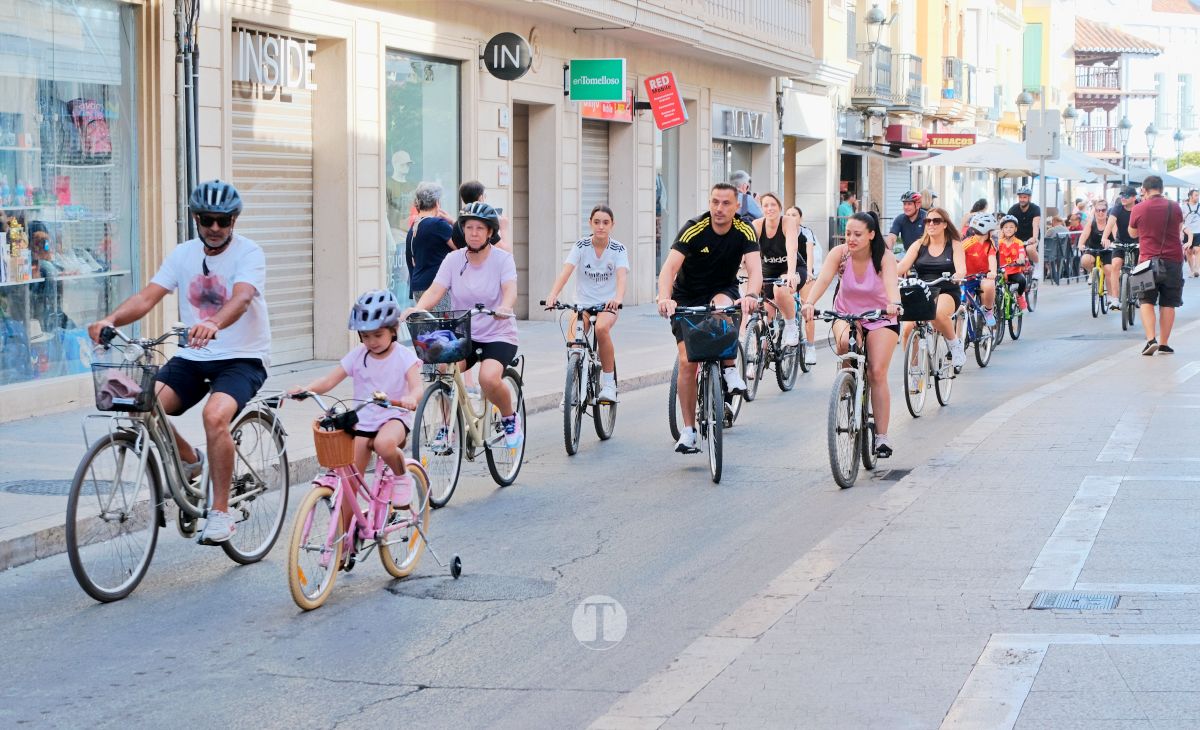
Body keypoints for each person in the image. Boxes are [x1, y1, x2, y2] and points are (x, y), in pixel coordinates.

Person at [86, 180, 270, 544]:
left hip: (242, 358)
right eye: (206, 219)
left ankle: (220, 513)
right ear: (195, 219)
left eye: (222, 220)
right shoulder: (183, 254)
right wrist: (111, 319)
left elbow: (242, 297)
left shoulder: (249, 253)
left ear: (233, 221)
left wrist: (214, 323)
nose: (214, 227)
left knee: (214, 417)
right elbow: (147, 297)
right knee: (140, 403)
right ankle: (189, 459)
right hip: (192, 356)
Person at [407, 202, 523, 447]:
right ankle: (447, 426)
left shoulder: (502, 259)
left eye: (480, 228)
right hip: (464, 333)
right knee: (443, 370)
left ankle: (510, 417)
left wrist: (505, 307)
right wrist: (417, 309)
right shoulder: (453, 259)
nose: (474, 233)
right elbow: (435, 290)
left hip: (498, 333)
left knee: (488, 379)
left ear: (490, 232)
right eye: (469, 227)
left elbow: (510, 289)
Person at [290, 291, 422, 508]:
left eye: (378, 335)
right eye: (365, 336)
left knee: (383, 444)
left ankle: (401, 476)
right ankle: (347, 530)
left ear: (394, 330)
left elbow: (417, 387)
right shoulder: (358, 355)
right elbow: (328, 381)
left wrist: (411, 398)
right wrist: (307, 390)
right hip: (363, 422)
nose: (372, 342)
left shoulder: (404, 356)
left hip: (394, 417)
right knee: (349, 484)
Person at [657, 182, 761, 454]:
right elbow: (669, 268)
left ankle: (729, 370)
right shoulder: (694, 228)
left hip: (722, 290)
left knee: (722, 308)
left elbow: (755, 269)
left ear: (736, 206)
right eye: (715, 202)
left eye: (726, 203)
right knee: (687, 361)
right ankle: (688, 431)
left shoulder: (744, 230)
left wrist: (751, 294)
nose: (719, 208)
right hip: (686, 297)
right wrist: (664, 298)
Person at [801, 212, 901, 458]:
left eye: (857, 234)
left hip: (881, 317)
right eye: (848, 234)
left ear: (871, 235)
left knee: (876, 372)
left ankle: (881, 437)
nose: (851, 239)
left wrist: (894, 303)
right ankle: (846, 383)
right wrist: (810, 302)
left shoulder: (884, 257)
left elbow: (891, 284)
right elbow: (824, 280)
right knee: (845, 341)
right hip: (846, 314)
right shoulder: (840, 254)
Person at [545, 204, 628, 402]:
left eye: (605, 222)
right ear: (590, 223)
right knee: (574, 343)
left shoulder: (618, 249)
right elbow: (566, 272)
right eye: (597, 222)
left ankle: (609, 384)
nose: (601, 226)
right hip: (583, 305)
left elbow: (621, 277)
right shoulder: (581, 246)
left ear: (612, 225)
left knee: (601, 329)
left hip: (607, 305)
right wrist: (553, 294)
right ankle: (572, 386)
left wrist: (618, 299)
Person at [897, 206, 967, 369]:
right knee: (907, 328)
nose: (931, 224)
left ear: (945, 224)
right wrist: (883, 274)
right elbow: (901, 267)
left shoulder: (954, 244)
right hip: (922, 290)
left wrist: (957, 275)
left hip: (947, 289)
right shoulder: (918, 245)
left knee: (938, 313)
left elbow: (961, 268)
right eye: (928, 221)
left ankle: (955, 345)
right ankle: (913, 372)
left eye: (936, 221)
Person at [1128, 175, 1185, 355]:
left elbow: (1132, 233)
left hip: (1147, 262)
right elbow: (1178, 229)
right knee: (1168, 303)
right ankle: (1164, 343)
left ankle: (1151, 339)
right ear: (1162, 189)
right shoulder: (1175, 207)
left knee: (1146, 301)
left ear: (1144, 190)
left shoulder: (1138, 208)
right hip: (1173, 260)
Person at [751, 193, 802, 350]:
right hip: (768, 272)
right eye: (766, 205)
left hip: (791, 268)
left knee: (780, 290)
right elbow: (747, 250)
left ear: (780, 207)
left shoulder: (788, 222)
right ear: (762, 208)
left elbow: (792, 249)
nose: (769, 208)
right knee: (764, 317)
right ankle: (758, 356)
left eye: (773, 205)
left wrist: (791, 273)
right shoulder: (757, 224)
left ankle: (791, 326)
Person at [405, 182, 455, 309]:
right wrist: (453, 222)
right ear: (437, 202)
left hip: (418, 286)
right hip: (436, 287)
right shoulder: (438, 224)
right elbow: (462, 247)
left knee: (426, 322)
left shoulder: (414, 227)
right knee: (441, 321)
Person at [786, 205, 821, 366]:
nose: (791, 217)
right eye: (788, 214)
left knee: (808, 309)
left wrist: (809, 272)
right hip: (788, 273)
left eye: (794, 215)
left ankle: (811, 347)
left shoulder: (806, 232)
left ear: (800, 218)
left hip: (805, 272)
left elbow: (810, 254)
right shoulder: (782, 232)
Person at [1102, 186, 1139, 310]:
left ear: (1134, 198)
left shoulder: (1140, 207)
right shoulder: (1117, 208)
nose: (1123, 198)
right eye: (1122, 195)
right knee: (1115, 264)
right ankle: (1115, 299)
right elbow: (1110, 224)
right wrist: (1104, 237)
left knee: (1140, 267)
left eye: (1126, 196)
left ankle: (1140, 295)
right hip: (1121, 241)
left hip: (1138, 241)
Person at [961, 212, 999, 326]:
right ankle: (959, 335)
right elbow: (958, 258)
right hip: (968, 278)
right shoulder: (966, 244)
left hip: (984, 277)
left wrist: (993, 271)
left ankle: (988, 311)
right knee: (962, 307)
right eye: (992, 231)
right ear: (986, 231)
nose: (993, 233)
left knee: (989, 285)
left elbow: (992, 259)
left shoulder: (990, 244)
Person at [450, 181, 511, 252]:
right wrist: (503, 229)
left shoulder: (457, 225)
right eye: (484, 195)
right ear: (480, 198)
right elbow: (506, 252)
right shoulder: (483, 223)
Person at [996, 215, 1031, 310]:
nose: (1008, 229)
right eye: (1006, 227)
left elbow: (1021, 254)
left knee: (1022, 280)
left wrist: (1021, 259)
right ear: (1002, 229)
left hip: (1014, 271)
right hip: (1001, 272)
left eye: (1011, 227)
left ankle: (1019, 296)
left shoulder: (1018, 242)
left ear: (1015, 229)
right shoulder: (998, 243)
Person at [1007, 186, 1042, 262]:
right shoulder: (1013, 209)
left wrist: (1034, 238)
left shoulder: (1035, 208)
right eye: (1020, 197)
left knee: (1029, 249)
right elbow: (1006, 224)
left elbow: (1035, 224)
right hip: (1017, 238)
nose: (1022, 199)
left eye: (1024, 197)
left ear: (1029, 198)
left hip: (1031, 237)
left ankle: (1037, 266)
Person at [1079, 203, 1112, 283]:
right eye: (1098, 210)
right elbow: (1084, 235)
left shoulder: (1111, 222)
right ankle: (1092, 273)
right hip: (1093, 249)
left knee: (1108, 270)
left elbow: (1116, 235)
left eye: (1103, 210)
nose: (1100, 212)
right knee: (1085, 260)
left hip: (1108, 250)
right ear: (1095, 212)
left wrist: (1113, 243)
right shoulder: (1091, 223)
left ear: (1107, 211)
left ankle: (1110, 290)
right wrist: (1080, 244)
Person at [1181, 189, 1200, 277]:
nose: (1198, 197)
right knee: (1189, 251)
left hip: (1198, 231)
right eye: (1196, 195)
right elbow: (1180, 220)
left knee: (1197, 250)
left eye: (1198, 195)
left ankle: (1196, 269)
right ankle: (1192, 270)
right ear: (1190, 196)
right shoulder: (1184, 207)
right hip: (1188, 233)